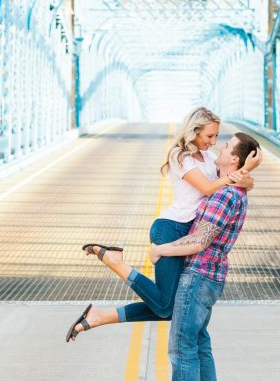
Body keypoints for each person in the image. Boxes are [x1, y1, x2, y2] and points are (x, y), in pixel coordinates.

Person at [64, 108, 260, 340]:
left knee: (170, 308)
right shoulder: (180, 157)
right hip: (171, 228)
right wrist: (245, 171)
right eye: (209, 136)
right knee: (167, 306)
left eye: (217, 137)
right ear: (194, 132)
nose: (214, 142)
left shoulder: (209, 158)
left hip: (188, 232)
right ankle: (114, 261)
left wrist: (246, 177)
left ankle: (98, 316)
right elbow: (210, 187)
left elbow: (231, 177)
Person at [144, 132, 259, 381]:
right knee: (200, 345)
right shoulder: (233, 189)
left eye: (226, 146)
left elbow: (200, 239)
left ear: (234, 158)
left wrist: (161, 250)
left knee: (181, 346)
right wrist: (248, 170)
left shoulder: (224, 195)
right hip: (212, 276)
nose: (219, 147)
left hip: (199, 274)